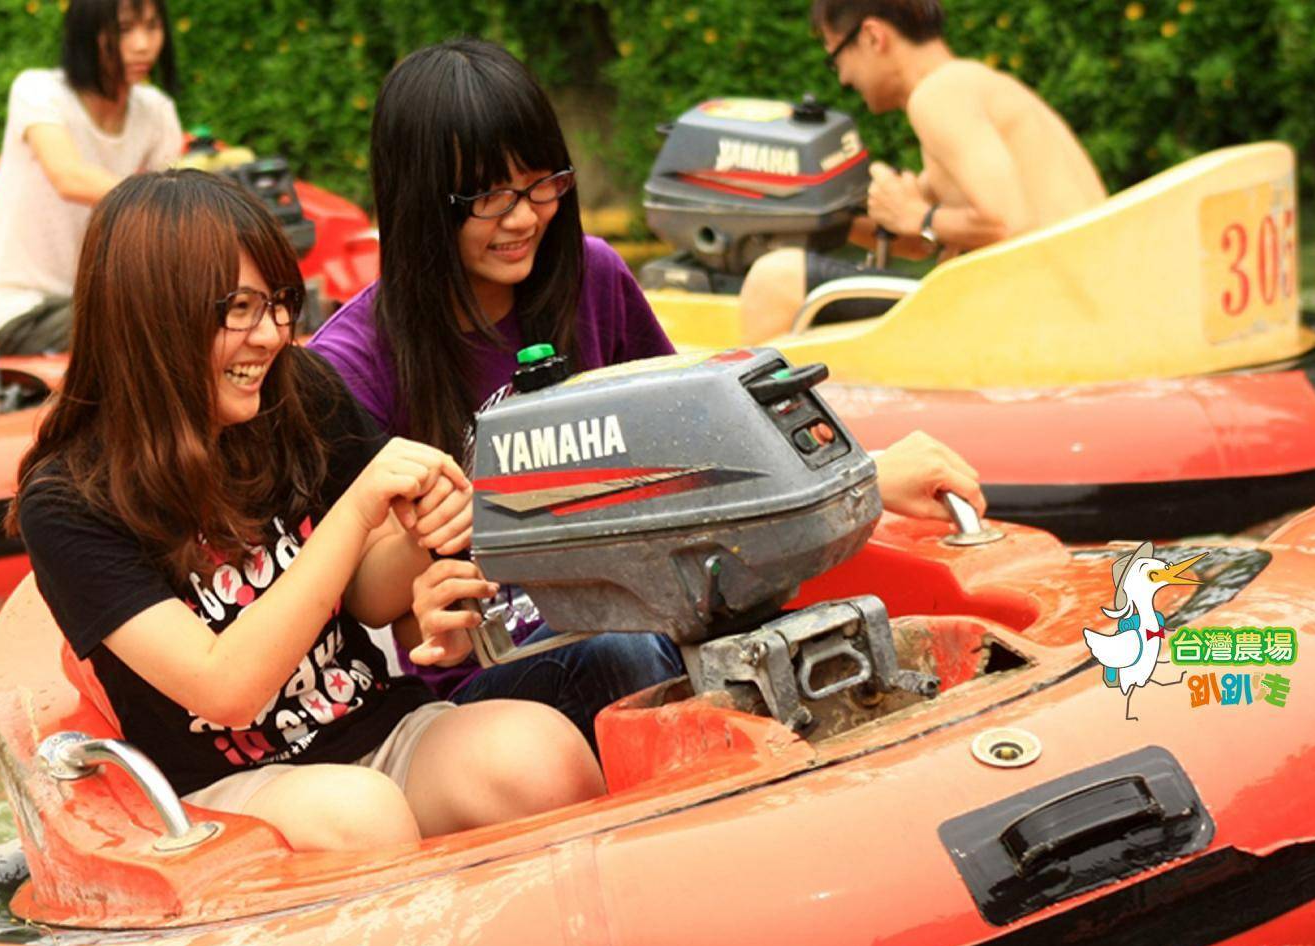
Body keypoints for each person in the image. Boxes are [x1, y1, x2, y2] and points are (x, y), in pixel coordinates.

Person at [311, 38, 985, 746]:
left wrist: (860, 477)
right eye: (487, 197)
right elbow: (363, 592)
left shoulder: (592, 278)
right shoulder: (350, 362)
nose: (523, 217)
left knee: (812, 627)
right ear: (418, 200)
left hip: (661, 612)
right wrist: (463, 516)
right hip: (498, 675)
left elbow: (701, 452)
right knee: (627, 656)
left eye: (544, 183)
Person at [10, 170, 604, 853]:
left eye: (280, 304)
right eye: (239, 309)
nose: (269, 336)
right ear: (151, 316)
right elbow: (221, 685)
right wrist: (353, 516)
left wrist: (424, 541)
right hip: (225, 792)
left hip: (375, 731)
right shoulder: (68, 499)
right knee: (360, 814)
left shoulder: (297, 393)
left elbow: (371, 600)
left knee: (541, 754)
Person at [738, 0, 1107, 340]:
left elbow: (1008, 224)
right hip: (1081, 305)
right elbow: (916, 241)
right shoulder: (977, 86)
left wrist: (918, 215)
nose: (843, 79)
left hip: (1046, 315)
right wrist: (827, 215)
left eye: (836, 58)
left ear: (872, 37)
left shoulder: (938, 94)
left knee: (776, 280)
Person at [0, 0, 184, 355]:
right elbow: (68, 177)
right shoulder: (38, 92)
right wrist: (165, 196)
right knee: (160, 330)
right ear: (87, 33)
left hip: (100, 302)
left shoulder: (156, 110)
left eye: (153, 27)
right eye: (125, 29)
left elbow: (179, 213)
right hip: (22, 310)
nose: (143, 44)